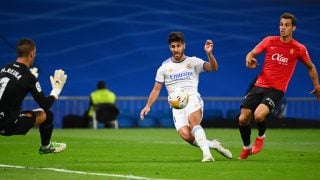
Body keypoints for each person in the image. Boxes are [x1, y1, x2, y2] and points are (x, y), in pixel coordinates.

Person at [140, 32, 232, 162]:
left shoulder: (193, 62)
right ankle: (214, 145)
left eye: (178, 46)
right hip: (176, 106)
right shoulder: (164, 67)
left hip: (192, 98)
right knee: (187, 135)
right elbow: (156, 89)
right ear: (169, 47)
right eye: (173, 46)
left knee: (193, 121)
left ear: (184, 46)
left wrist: (209, 54)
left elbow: (213, 68)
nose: (176, 49)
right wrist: (148, 105)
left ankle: (207, 155)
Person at [238, 13, 320, 160]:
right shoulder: (269, 40)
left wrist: (317, 86)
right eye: (281, 24)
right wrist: (249, 60)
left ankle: (261, 136)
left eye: (287, 25)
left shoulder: (299, 48)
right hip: (259, 86)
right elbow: (251, 54)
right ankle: (246, 147)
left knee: (259, 115)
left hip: (276, 90)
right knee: (243, 119)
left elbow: (311, 67)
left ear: (293, 28)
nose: (283, 28)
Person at [0, 38, 68, 154]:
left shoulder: (5, 68)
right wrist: (56, 91)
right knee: (47, 114)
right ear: (31, 54)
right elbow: (45, 104)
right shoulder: (28, 77)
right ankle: (46, 147)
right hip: (7, 124)